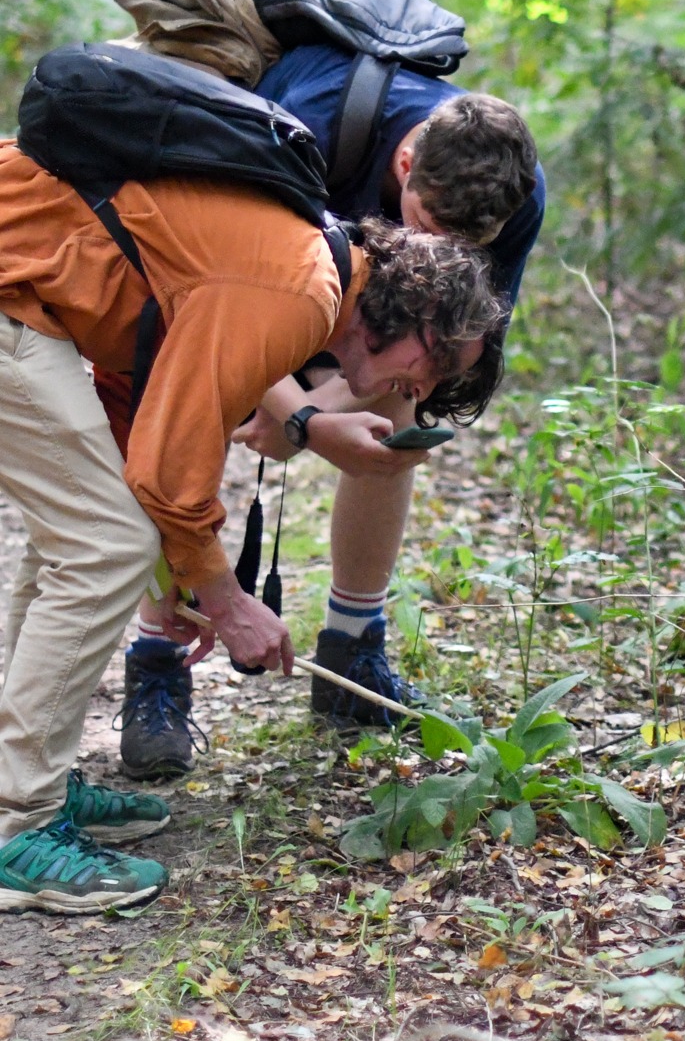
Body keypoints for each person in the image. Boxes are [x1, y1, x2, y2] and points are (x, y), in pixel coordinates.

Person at [0, 130, 507, 912]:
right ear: (416, 308)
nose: (423, 385)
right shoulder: (301, 289)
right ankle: (17, 825)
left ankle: (29, 779)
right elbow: (170, 470)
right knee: (103, 543)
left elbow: (144, 413)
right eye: (436, 361)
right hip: (11, 286)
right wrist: (228, 601)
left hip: (28, 294)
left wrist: (185, 575)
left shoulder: (312, 276)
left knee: (83, 531)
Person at [114, 42, 545, 778]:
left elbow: (457, 342)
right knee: (196, 404)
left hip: (354, 308)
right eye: (426, 221)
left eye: (462, 245)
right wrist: (295, 417)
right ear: (404, 167)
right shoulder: (305, 125)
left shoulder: (513, 200)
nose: (437, 251)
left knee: (407, 392)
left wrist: (311, 418)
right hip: (231, 286)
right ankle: (160, 655)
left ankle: (352, 644)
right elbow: (214, 300)